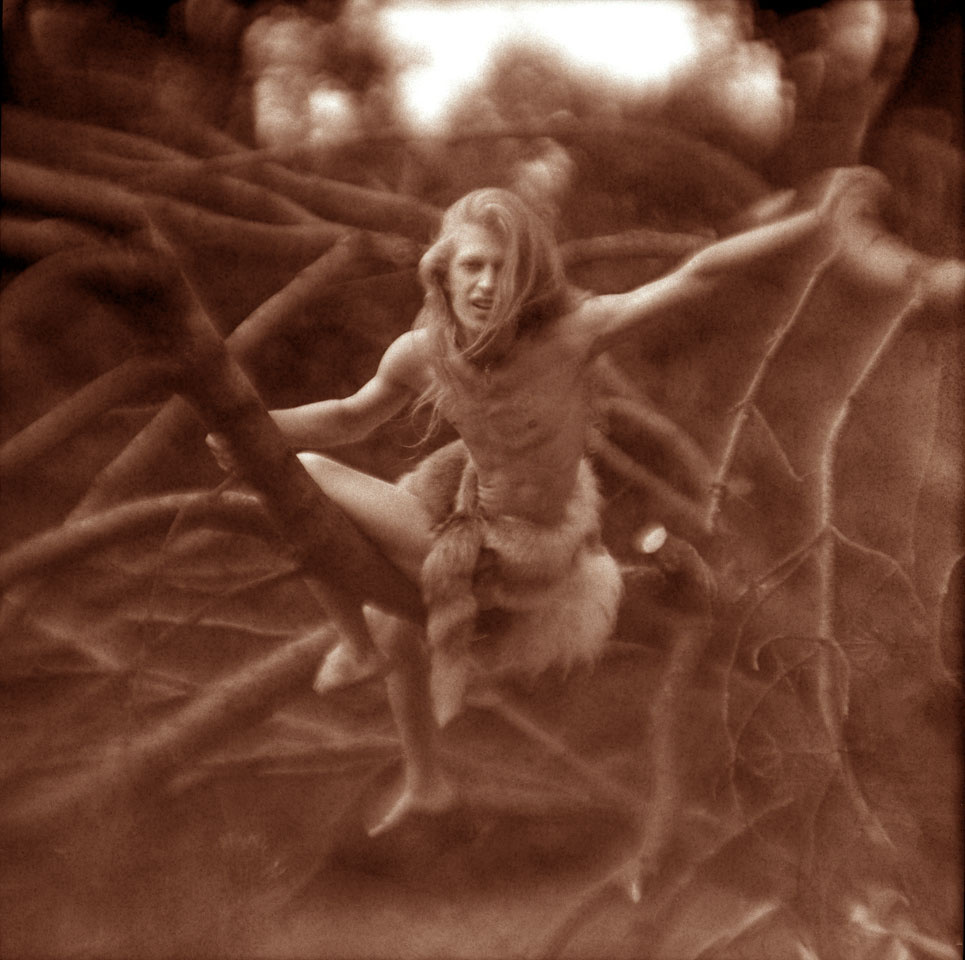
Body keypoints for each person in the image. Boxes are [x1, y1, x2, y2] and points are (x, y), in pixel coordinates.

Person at [209, 172, 878, 835]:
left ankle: (360, 651)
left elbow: (696, 275)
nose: (485, 285)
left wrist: (815, 221)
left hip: (527, 552)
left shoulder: (571, 334)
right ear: (442, 273)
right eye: (472, 266)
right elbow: (349, 416)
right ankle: (424, 776)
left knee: (309, 483)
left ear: (527, 280)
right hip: (472, 513)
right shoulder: (422, 353)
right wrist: (247, 424)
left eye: (503, 270)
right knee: (364, 575)